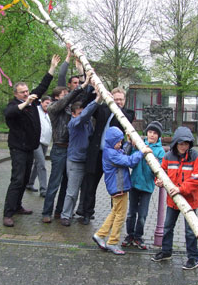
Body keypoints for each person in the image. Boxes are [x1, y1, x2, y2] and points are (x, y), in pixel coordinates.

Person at [3, 55, 60, 227]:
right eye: (23, 92)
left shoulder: (32, 100)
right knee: (17, 179)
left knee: (26, 177)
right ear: (16, 94)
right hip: (18, 148)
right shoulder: (13, 105)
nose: (27, 94)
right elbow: (10, 114)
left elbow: (43, 85)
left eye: (27, 91)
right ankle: (7, 213)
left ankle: (18, 205)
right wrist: (25, 102)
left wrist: (52, 67)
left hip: (30, 148)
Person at [41, 68, 93, 224]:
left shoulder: (70, 111)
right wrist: (81, 86)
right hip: (59, 149)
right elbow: (69, 97)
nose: (67, 97)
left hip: (70, 150)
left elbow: (81, 101)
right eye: (64, 94)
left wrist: (86, 79)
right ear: (57, 97)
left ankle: (60, 211)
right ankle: (46, 212)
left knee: (66, 183)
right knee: (54, 182)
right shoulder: (54, 108)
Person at [151, 126, 198, 270]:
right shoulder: (168, 157)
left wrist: (181, 189)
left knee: (190, 231)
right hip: (173, 201)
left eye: (186, 144)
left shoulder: (195, 157)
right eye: (181, 144)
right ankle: (166, 251)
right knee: (168, 227)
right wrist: (159, 181)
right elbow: (161, 172)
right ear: (175, 143)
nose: (183, 147)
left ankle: (193, 258)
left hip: (190, 202)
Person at [92, 126, 152, 255]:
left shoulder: (112, 150)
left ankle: (100, 234)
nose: (120, 144)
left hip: (118, 187)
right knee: (120, 216)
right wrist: (142, 152)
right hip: (118, 188)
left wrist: (130, 142)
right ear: (112, 142)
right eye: (118, 142)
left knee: (115, 212)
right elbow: (129, 161)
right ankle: (112, 242)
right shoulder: (111, 154)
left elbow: (123, 151)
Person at [80, 87, 135, 225]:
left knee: (116, 187)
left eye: (121, 99)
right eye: (115, 99)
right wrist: (99, 95)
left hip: (115, 157)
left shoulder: (128, 113)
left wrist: (115, 107)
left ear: (125, 99)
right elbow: (87, 105)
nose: (118, 102)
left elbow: (124, 120)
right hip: (98, 153)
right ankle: (87, 213)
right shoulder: (103, 109)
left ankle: (115, 216)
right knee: (90, 185)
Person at [60, 86, 101, 226]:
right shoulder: (74, 123)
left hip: (85, 161)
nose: (83, 115)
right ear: (73, 114)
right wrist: (97, 100)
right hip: (75, 162)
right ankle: (65, 215)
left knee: (85, 190)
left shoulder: (88, 123)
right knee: (72, 191)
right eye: (79, 113)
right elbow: (84, 116)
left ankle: (80, 211)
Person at [123, 121, 165, 250]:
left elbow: (161, 169)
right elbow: (128, 158)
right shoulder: (140, 145)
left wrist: (155, 166)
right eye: (150, 132)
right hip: (134, 184)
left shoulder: (160, 151)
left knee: (142, 214)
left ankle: (138, 236)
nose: (152, 135)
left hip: (147, 187)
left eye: (155, 133)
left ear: (158, 136)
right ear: (146, 133)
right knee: (131, 212)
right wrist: (131, 144)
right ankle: (129, 235)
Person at [26, 95, 52, 197]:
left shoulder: (50, 113)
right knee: (41, 164)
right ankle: (43, 189)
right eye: (46, 103)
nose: (48, 105)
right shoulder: (36, 110)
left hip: (46, 142)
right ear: (41, 103)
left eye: (50, 103)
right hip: (36, 141)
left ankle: (30, 183)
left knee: (37, 164)